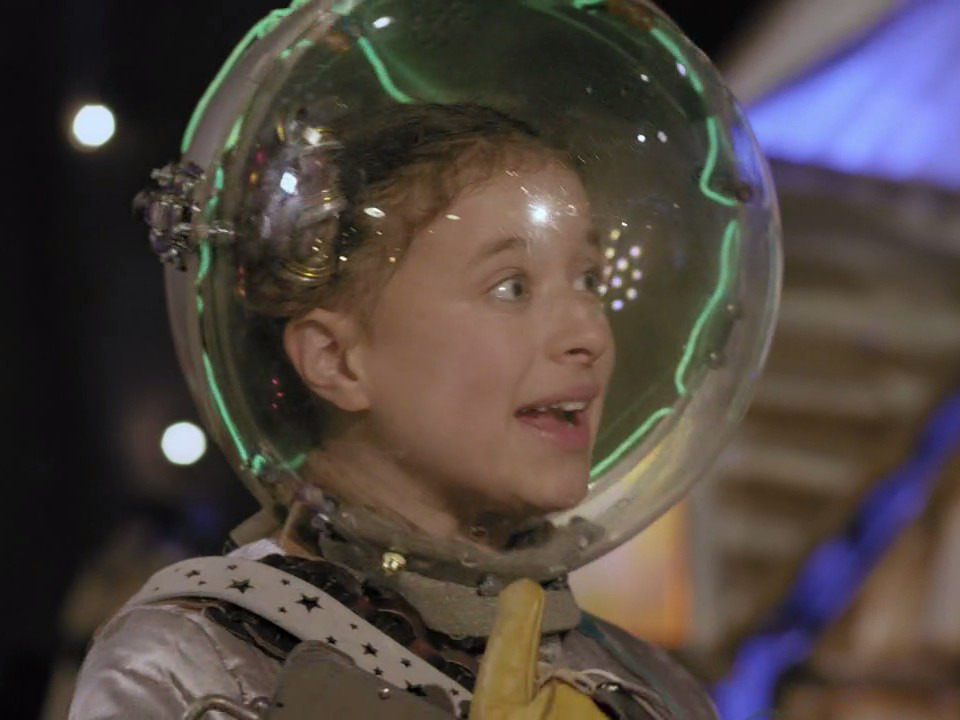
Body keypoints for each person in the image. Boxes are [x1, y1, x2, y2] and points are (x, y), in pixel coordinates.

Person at [69, 103, 720, 719]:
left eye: (590, 280)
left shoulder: (652, 691)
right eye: (511, 287)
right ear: (337, 360)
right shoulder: (193, 668)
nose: (591, 334)